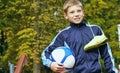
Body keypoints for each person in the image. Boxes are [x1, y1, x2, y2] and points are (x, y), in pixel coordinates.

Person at [41, 0, 118, 73]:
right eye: (72, 12)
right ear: (66, 15)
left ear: (83, 13)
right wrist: (51, 64)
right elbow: (45, 53)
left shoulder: (95, 30)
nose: (76, 14)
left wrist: (112, 71)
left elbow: (107, 55)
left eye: (79, 11)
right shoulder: (63, 35)